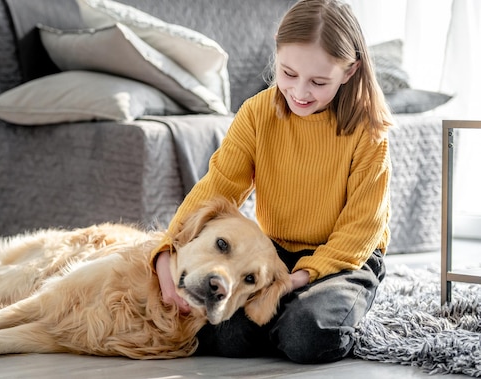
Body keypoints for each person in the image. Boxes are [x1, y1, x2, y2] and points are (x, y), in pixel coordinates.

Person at [151, 0, 392, 364]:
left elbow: (361, 229)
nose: (299, 92)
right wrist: (169, 247)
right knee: (223, 335)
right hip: (278, 252)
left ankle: (310, 315)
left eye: (319, 81)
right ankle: (287, 319)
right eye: (288, 73)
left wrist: (299, 281)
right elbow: (218, 187)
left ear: (349, 71)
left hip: (347, 257)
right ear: (276, 51)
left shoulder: (368, 133)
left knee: (306, 334)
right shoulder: (257, 113)